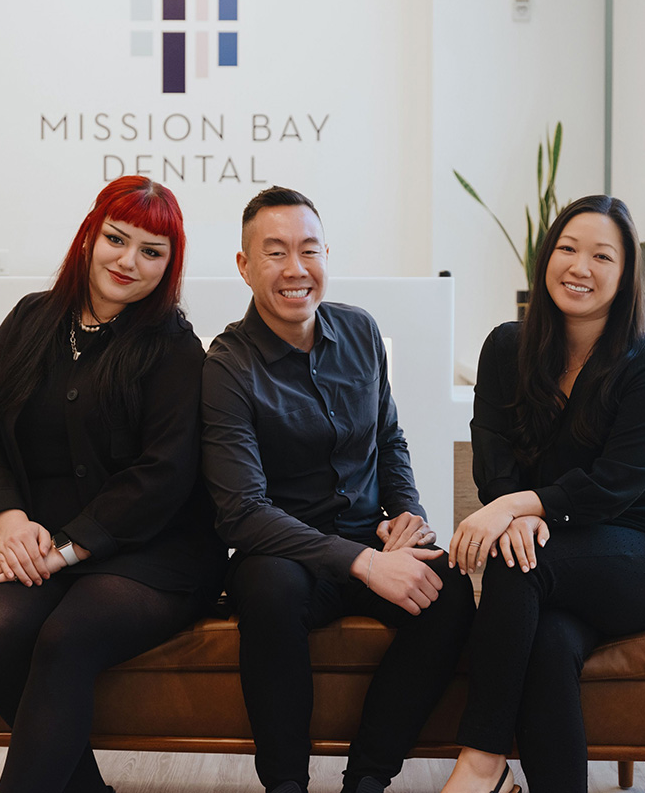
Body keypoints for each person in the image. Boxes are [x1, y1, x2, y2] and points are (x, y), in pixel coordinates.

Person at [200, 186, 476, 793]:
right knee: (268, 589)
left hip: (370, 540)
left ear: (327, 255)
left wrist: (408, 516)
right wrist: (364, 564)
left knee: (450, 590)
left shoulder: (360, 330)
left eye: (309, 249)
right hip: (285, 554)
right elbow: (241, 513)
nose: (295, 268)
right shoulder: (227, 365)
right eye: (275, 252)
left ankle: (369, 776)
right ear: (244, 266)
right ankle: (286, 783)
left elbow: (389, 439)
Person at [0, 176, 226, 793]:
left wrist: (62, 551)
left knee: (69, 634)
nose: (128, 261)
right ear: (89, 237)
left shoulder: (175, 348)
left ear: (169, 265)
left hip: (155, 553)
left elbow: (162, 476)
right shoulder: (30, 319)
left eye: (151, 251)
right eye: (116, 238)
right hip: (45, 542)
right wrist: (11, 524)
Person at [441, 195, 645, 793]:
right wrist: (515, 511)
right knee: (550, 642)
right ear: (546, 257)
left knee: (519, 564)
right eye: (568, 249)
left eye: (602, 256)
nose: (580, 267)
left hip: (642, 551)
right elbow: (493, 452)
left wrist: (518, 508)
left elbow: (614, 485)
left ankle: (481, 764)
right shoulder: (506, 348)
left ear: (626, 275)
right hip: (555, 549)